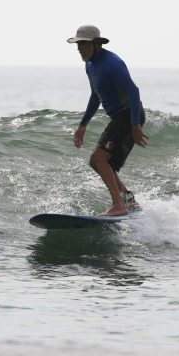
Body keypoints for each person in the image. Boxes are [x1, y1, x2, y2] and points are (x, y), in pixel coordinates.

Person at [67, 24, 149, 216]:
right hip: (120, 118)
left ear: (96, 44)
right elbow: (95, 96)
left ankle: (119, 205)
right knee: (104, 164)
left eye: (83, 44)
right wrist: (83, 124)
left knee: (98, 159)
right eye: (78, 44)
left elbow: (133, 91)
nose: (79, 48)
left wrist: (135, 125)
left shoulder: (112, 63)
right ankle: (130, 202)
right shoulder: (90, 65)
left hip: (128, 115)